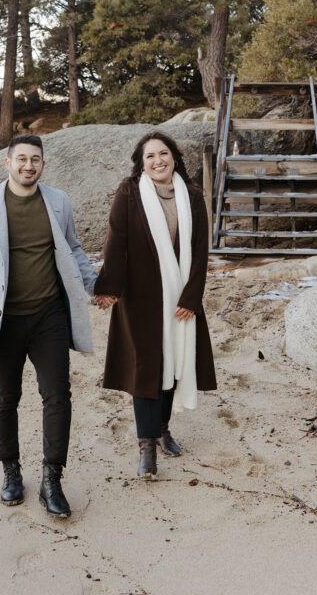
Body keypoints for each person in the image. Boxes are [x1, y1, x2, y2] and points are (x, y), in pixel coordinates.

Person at [0, 134, 97, 518]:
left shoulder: (59, 202)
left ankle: (53, 478)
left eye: (35, 160)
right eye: (21, 159)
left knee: (57, 395)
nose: (28, 165)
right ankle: (11, 471)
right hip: (2, 320)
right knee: (4, 397)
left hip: (49, 315)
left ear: (43, 165)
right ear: (7, 164)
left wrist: (94, 284)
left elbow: (73, 247)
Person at [94, 130, 216, 478]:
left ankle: (163, 429)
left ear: (174, 157)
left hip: (180, 296)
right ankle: (147, 445)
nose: (158, 161)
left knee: (174, 362)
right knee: (146, 367)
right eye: (150, 156)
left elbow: (200, 249)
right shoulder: (129, 193)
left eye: (163, 154)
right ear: (141, 163)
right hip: (140, 296)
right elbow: (116, 240)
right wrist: (109, 286)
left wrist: (192, 296)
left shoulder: (191, 196)